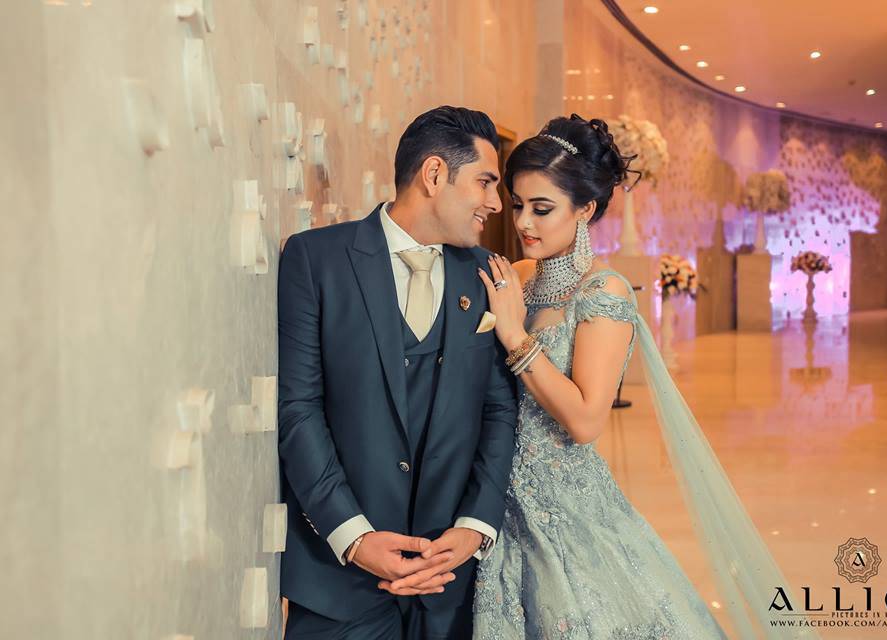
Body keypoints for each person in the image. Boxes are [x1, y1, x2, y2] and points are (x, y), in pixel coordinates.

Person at [389, 113, 815, 638]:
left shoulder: (604, 293)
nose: (524, 222)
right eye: (519, 205)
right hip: (490, 497)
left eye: (543, 209)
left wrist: (515, 337)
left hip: (565, 509)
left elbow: (587, 420)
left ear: (585, 209)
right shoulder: (515, 277)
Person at [277, 105, 518, 639]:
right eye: (485, 182)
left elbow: (499, 410)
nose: (495, 204)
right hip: (339, 584)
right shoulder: (316, 259)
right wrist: (356, 539)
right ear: (434, 175)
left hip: (447, 584)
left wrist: (474, 529)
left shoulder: (486, 277)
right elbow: (298, 410)